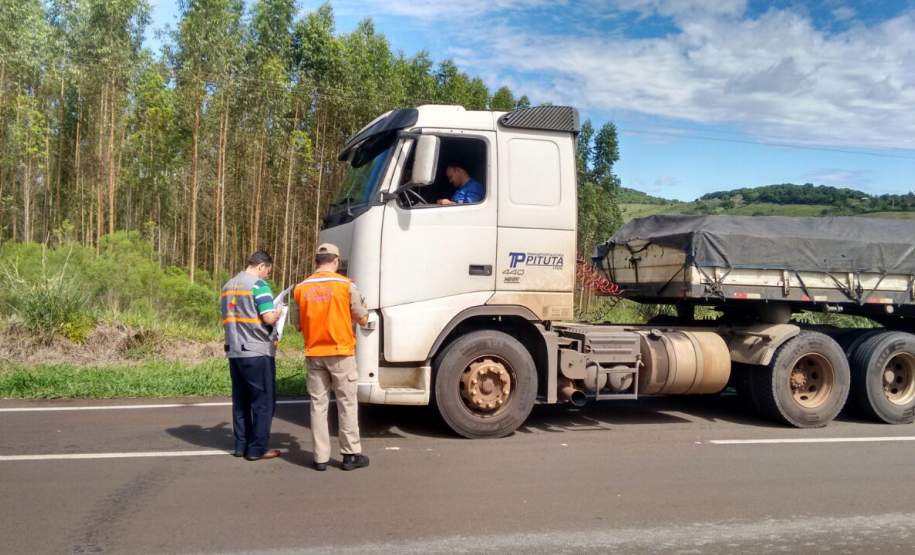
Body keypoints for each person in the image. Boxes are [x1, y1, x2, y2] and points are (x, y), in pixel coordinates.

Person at [292, 243, 370, 471]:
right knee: (346, 403)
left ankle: (320, 458)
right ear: (336, 261)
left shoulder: (301, 288)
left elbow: (297, 324)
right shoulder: (346, 286)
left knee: (318, 405)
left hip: (314, 352)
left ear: (316, 261)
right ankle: (350, 455)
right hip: (341, 352)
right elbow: (362, 317)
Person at [221, 250, 284, 461]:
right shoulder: (258, 286)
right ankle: (257, 448)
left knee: (241, 401)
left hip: (235, 351)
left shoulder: (228, 286)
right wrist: (279, 312)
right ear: (261, 266)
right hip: (257, 351)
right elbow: (267, 317)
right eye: (267, 271)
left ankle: (241, 445)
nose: (267, 275)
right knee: (263, 402)